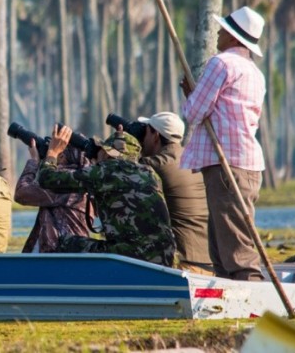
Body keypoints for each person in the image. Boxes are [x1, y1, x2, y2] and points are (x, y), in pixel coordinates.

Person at [180, 6, 267, 281]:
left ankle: (251, 296)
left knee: (236, 249)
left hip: (227, 164)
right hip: (246, 164)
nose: (218, 32)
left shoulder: (222, 63)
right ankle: (228, 297)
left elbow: (193, 113)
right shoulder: (255, 72)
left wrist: (189, 95)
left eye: (223, 30)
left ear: (232, 37)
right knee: (221, 244)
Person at [38, 126, 176, 267]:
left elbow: (46, 179)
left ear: (106, 153)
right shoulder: (150, 173)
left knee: (66, 242)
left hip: (131, 255)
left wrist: (53, 152)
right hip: (166, 256)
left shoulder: (106, 171)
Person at [137, 112, 213, 274]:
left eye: (146, 132)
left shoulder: (155, 164)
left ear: (156, 136)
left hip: (183, 264)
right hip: (211, 260)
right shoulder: (195, 159)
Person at [15, 139, 93, 253]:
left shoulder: (63, 180)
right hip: (76, 251)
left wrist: (34, 161)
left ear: (64, 156)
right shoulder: (84, 178)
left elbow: (21, 193)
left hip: (59, 255)